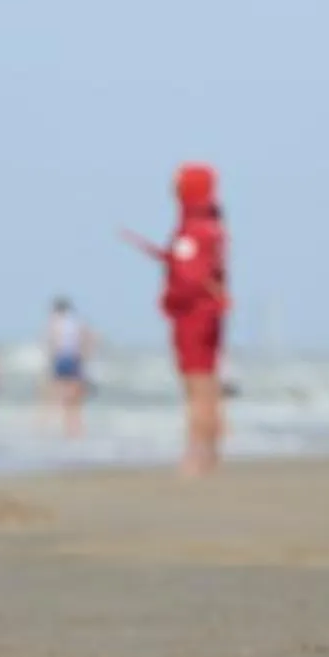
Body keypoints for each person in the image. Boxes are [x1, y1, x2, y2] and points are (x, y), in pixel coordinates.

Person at [123, 163, 231, 476]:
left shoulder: (194, 230)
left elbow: (189, 280)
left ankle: (195, 457)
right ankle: (210, 453)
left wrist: (169, 297)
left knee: (197, 388)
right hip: (209, 314)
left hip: (194, 317)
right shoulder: (212, 227)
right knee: (208, 386)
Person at [41, 296, 95, 439]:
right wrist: (85, 356)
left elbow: (51, 343)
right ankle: (76, 432)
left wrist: (49, 364)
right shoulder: (77, 322)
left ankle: (53, 430)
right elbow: (90, 339)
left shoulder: (54, 322)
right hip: (74, 360)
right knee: (75, 401)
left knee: (57, 397)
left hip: (60, 360)